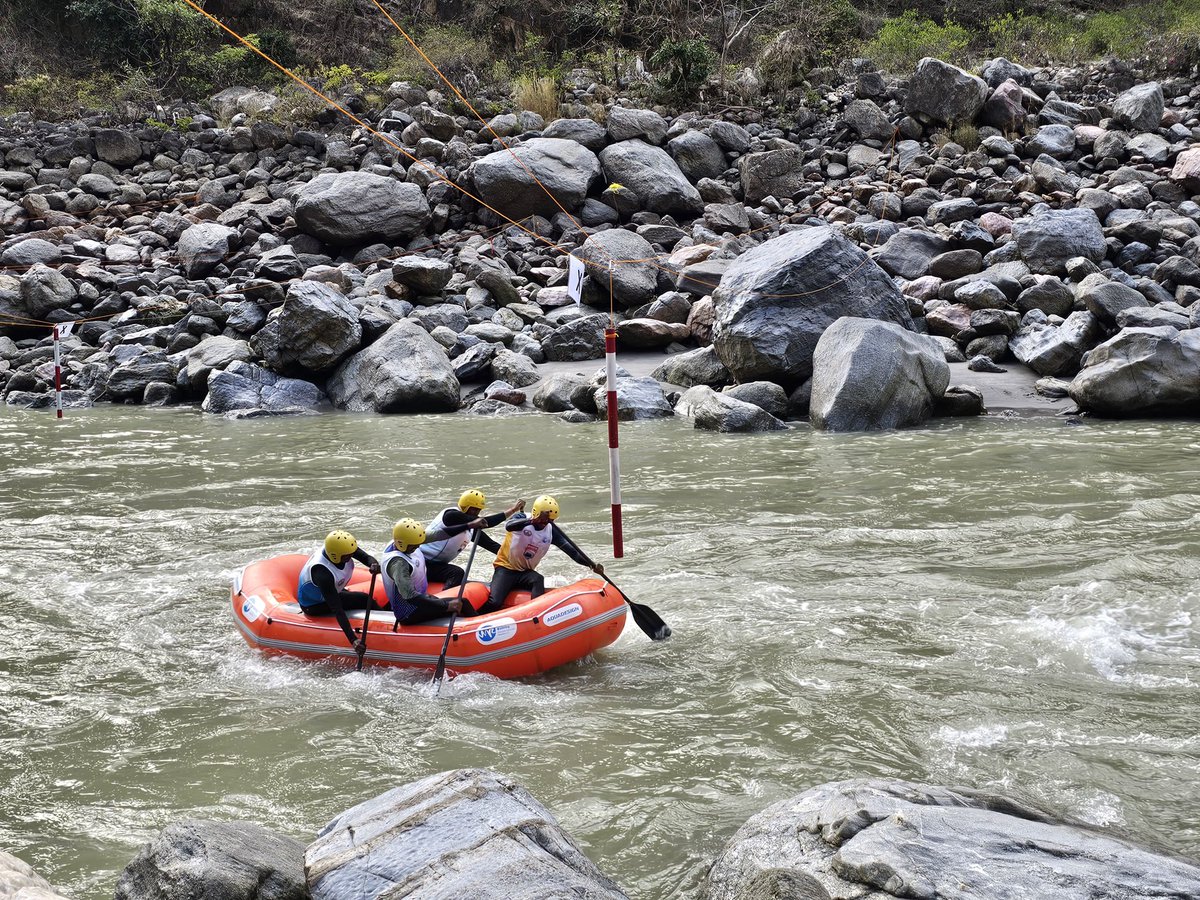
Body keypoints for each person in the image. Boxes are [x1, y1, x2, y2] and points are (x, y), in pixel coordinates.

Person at [487, 494, 603, 614]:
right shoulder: (522, 517)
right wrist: (532, 521)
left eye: (550, 520)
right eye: (544, 519)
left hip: (525, 572)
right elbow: (509, 526)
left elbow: (572, 552)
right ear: (536, 513)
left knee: (538, 579)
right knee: (495, 602)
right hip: (505, 568)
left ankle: (536, 614)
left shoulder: (551, 530)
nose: (546, 523)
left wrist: (591, 565)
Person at [382, 515, 486, 625]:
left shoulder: (408, 540)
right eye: (414, 545)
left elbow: (440, 534)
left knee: (459, 597)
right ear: (402, 544)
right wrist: (446, 606)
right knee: (462, 603)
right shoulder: (398, 563)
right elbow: (410, 596)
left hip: (419, 600)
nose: (418, 546)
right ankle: (481, 627)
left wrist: (470, 525)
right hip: (409, 612)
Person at [297, 530, 381, 654]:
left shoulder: (342, 548)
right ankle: (386, 624)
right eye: (347, 556)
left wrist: (373, 564)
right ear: (335, 555)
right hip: (314, 605)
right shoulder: (322, 573)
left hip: (331, 591)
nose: (350, 556)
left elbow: (365, 557)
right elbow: (338, 609)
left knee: (361, 599)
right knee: (365, 599)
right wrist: (353, 640)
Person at [419, 489, 525, 587]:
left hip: (437, 566)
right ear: (465, 506)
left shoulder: (471, 529)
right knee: (457, 573)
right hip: (420, 561)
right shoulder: (450, 515)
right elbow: (486, 522)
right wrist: (512, 510)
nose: (476, 513)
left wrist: (516, 559)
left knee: (457, 573)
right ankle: (446, 604)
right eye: (473, 509)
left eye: (478, 510)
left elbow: (490, 545)